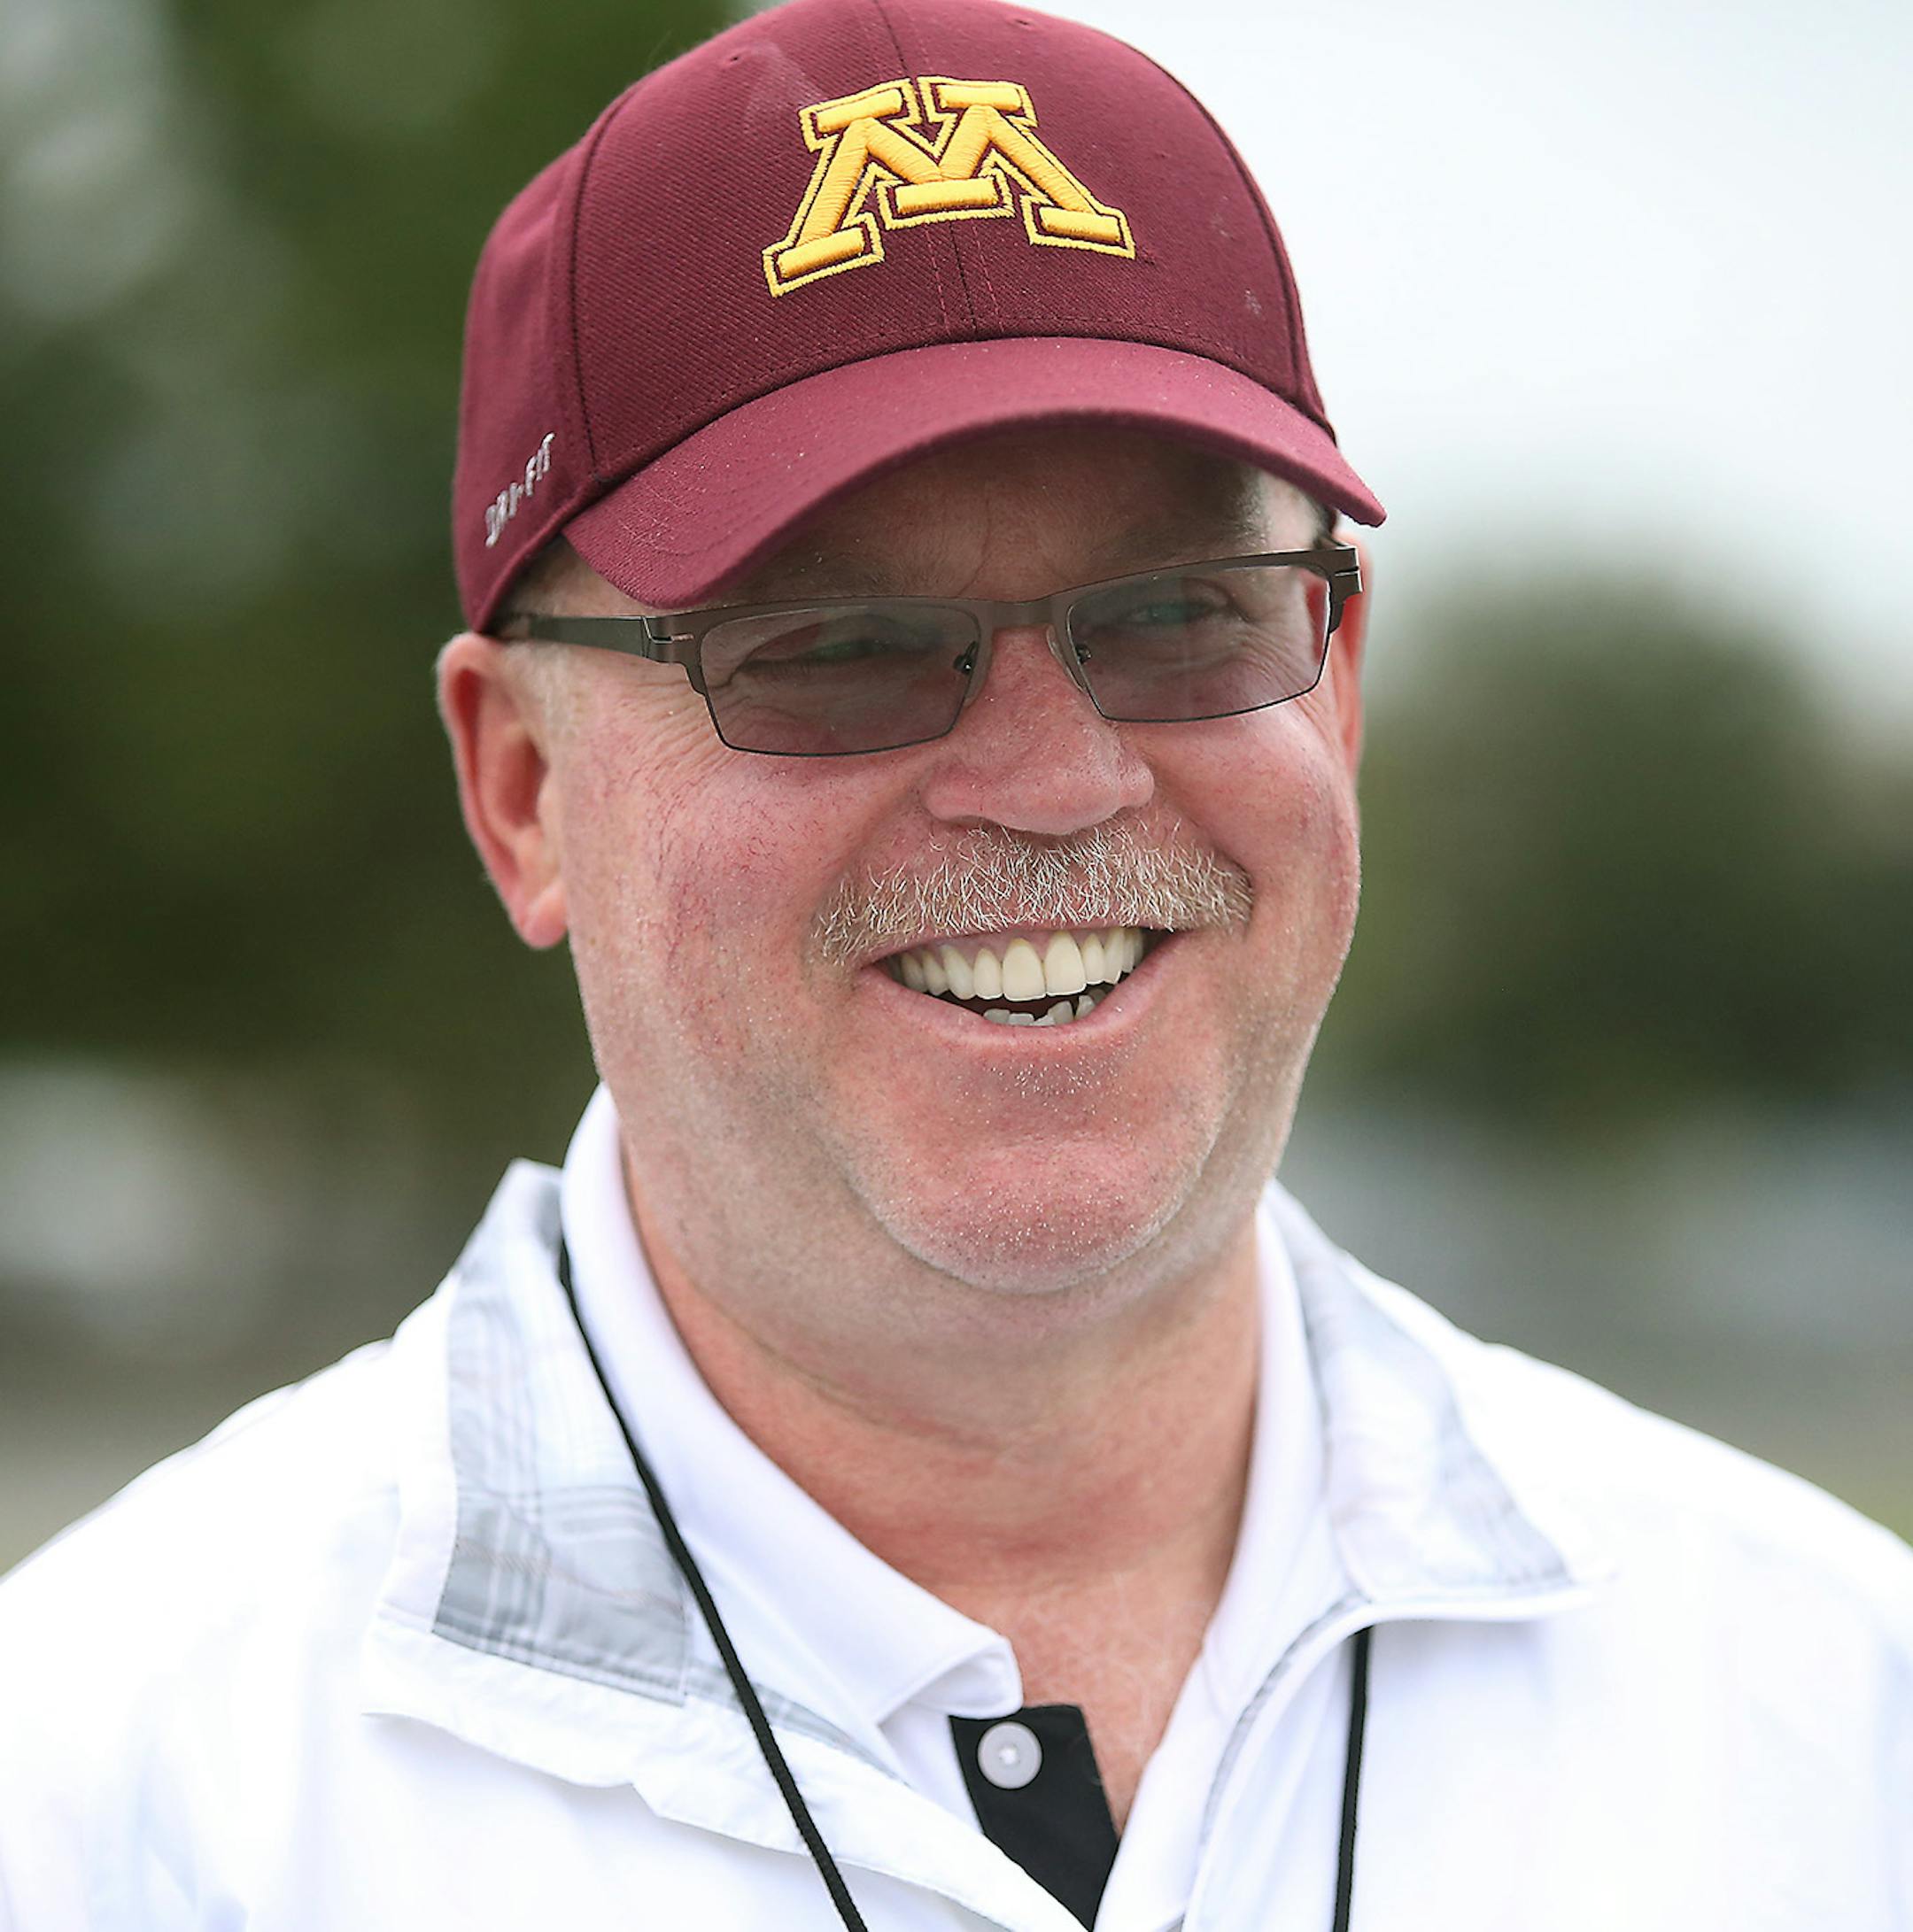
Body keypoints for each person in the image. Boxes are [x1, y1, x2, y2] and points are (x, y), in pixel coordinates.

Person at [2, 0, 1908, 1925]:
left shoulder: (1832, 1715)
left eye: (1179, 614)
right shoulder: (108, 1789)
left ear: (1336, 691)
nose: (1053, 782)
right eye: (834, 644)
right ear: (522, 788)